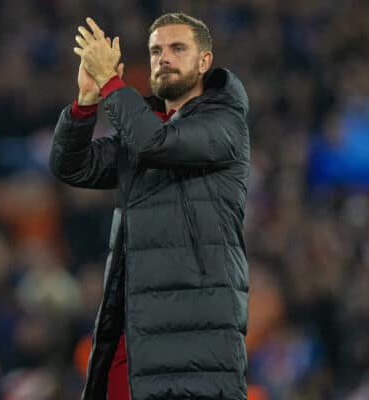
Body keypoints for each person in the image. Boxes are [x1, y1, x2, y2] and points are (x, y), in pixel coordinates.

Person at [50, 12, 250, 400]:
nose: (164, 58)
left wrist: (111, 82)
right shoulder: (145, 124)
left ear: (204, 61)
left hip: (196, 344)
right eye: (156, 50)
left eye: (178, 48)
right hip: (135, 336)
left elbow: (157, 144)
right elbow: (72, 166)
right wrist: (85, 104)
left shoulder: (224, 121)